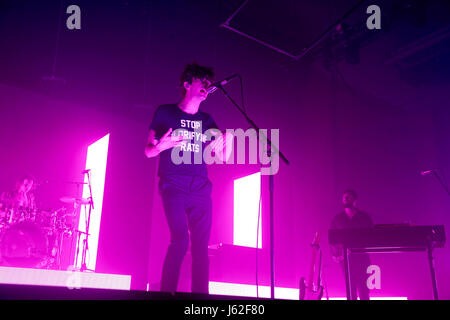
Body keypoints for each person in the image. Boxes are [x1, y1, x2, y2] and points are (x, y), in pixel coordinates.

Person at [145, 62, 233, 294]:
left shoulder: (207, 119)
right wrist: (161, 147)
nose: (206, 85)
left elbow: (222, 157)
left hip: (201, 187)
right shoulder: (165, 112)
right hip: (173, 184)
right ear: (186, 84)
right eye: (201, 80)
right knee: (180, 240)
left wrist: (228, 144)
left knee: (201, 247)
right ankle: (167, 293)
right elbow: (148, 151)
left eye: (208, 82)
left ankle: (200, 299)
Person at [330, 189, 373, 300]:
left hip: (361, 258)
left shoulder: (364, 217)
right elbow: (332, 240)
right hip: (346, 260)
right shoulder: (337, 219)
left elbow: (371, 236)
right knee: (350, 289)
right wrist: (336, 255)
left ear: (355, 200)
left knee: (363, 289)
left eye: (348, 197)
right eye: (344, 197)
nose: (345, 199)